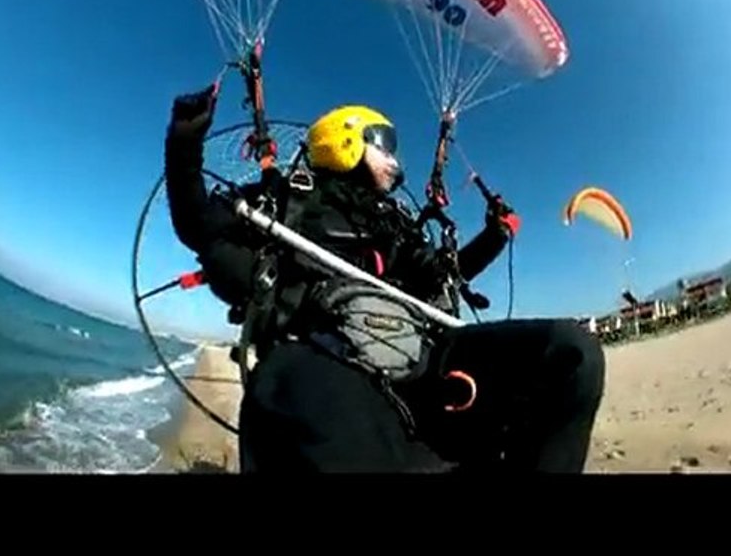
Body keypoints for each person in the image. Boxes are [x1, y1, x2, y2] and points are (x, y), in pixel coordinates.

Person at [164, 83, 605, 472]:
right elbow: (199, 225)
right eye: (385, 144)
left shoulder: (394, 221)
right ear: (347, 140)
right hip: (326, 351)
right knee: (307, 408)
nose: (395, 159)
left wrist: (494, 235)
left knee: (570, 355)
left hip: (425, 352)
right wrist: (185, 142)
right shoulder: (287, 199)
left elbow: (445, 275)